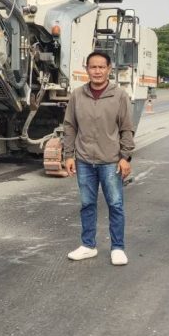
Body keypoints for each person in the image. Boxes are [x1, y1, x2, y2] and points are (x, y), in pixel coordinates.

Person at [62, 50, 135, 266]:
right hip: (84, 160)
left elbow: (127, 128)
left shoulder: (119, 95)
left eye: (101, 67)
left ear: (109, 69)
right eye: (93, 67)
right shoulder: (77, 95)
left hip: (111, 161)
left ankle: (118, 248)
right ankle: (88, 245)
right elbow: (70, 126)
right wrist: (68, 155)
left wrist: (125, 157)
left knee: (115, 204)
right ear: (87, 69)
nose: (97, 71)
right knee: (87, 204)